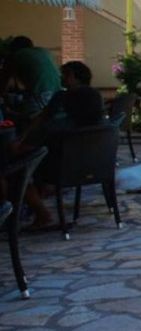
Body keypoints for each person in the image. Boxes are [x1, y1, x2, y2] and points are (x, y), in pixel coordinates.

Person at [10, 61, 104, 231]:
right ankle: (38, 199)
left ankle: (40, 213)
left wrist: (19, 145)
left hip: (62, 168)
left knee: (14, 169)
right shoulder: (100, 123)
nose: (61, 78)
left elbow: (38, 131)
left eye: (66, 74)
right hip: (92, 167)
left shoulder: (58, 125)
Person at [2, 36, 62, 119]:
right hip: (57, 92)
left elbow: (7, 78)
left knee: (32, 119)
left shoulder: (16, 55)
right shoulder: (44, 51)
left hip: (39, 94)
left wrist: (2, 95)